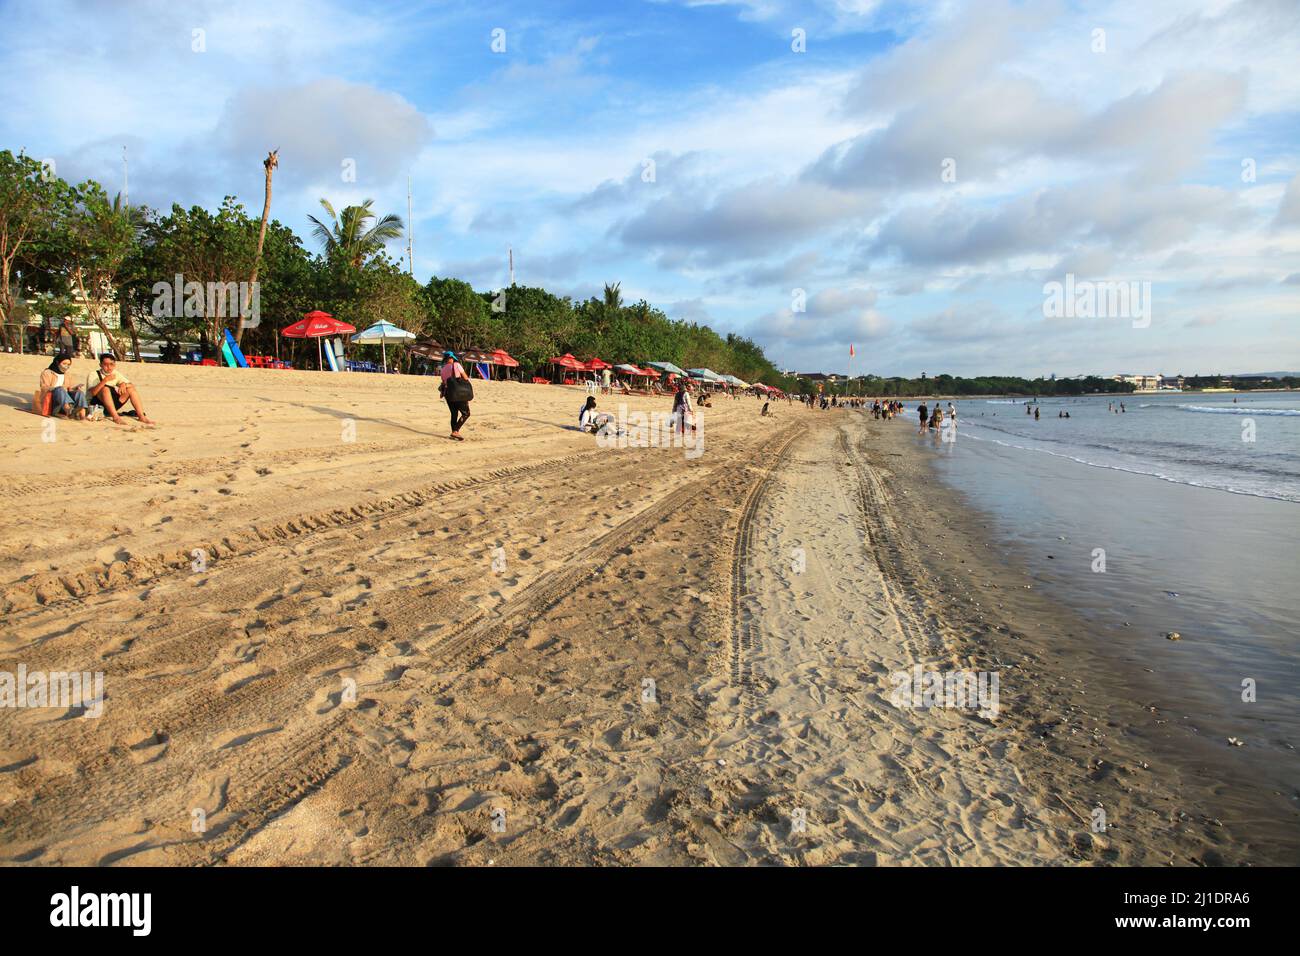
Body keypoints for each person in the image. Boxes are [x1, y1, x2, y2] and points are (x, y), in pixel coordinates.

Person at [87, 353, 154, 424]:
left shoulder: (115, 373)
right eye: (105, 364)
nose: (109, 367)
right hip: (97, 405)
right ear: (100, 365)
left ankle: (141, 417)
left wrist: (123, 384)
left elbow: (131, 385)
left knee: (130, 389)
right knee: (105, 389)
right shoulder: (93, 374)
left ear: (114, 365)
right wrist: (105, 380)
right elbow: (93, 393)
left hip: (112, 403)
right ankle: (115, 417)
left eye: (111, 364)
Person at [37, 353, 89, 419]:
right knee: (60, 389)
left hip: (66, 400)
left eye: (68, 364)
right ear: (57, 362)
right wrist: (56, 389)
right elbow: (44, 387)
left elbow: (69, 389)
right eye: (64, 364)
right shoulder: (47, 373)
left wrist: (76, 388)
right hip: (53, 403)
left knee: (79, 393)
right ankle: (68, 410)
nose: (66, 366)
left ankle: (82, 413)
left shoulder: (67, 374)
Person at [439, 350, 472, 440]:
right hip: (457, 392)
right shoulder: (456, 365)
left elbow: (443, 382)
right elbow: (465, 377)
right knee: (466, 413)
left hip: (447, 393)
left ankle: (454, 433)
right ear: (452, 358)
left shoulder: (443, 369)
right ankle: (455, 431)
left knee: (454, 413)